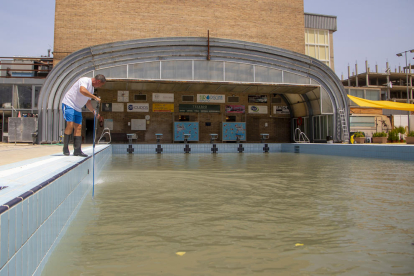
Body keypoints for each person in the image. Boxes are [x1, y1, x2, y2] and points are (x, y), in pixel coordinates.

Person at [61, 74, 106, 157]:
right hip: (69, 103)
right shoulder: (84, 80)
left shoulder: (92, 89)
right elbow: (82, 90)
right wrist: (95, 97)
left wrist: (94, 112)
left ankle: (77, 150)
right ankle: (65, 147)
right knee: (70, 124)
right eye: (100, 85)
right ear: (98, 81)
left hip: (78, 108)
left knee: (78, 127)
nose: (99, 86)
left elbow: (88, 102)